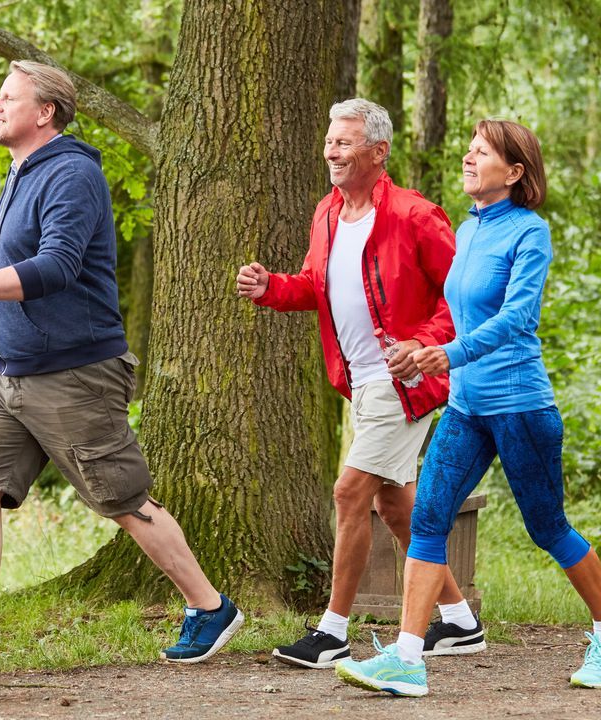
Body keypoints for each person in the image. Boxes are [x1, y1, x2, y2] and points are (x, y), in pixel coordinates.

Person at [0, 61, 242, 666]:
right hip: (5, 371)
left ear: (45, 112)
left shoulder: (70, 173)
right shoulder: (20, 173)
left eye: (7, 96)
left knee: (121, 497)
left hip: (73, 372)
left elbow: (58, 266)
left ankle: (210, 605)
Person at [336, 119, 601, 697]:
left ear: (515, 172)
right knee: (428, 518)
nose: (469, 159)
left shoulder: (530, 233)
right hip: (467, 406)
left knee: (547, 527)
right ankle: (406, 658)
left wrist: (446, 354)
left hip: (520, 404)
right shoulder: (469, 229)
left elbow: (518, 319)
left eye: (483, 153)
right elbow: (455, 311)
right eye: (469, 151)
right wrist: (421, 348)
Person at [236, 98, 482, 670]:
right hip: (360, 384)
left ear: (378, 151)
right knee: (396, 508)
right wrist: (270, 286)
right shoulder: (326, 212)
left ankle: (333, 630)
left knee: (349, 493)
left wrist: (424, 347)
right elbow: (314, 285)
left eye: (344, 143)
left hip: (406, 384)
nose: (330, 151)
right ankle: (462, 623)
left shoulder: (417, 216)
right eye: (329, 141)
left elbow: (463, 298)